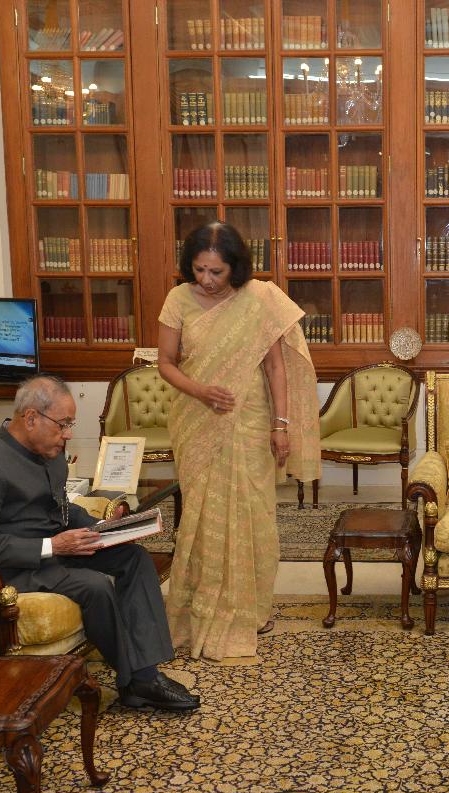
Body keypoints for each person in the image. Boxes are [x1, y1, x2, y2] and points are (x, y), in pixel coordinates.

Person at [0, 375, 200, 712]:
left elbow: (62, 509)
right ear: (31, 418)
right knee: (94, 586)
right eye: (63, 424)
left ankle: (145, 673)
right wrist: (53, 546)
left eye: (70, 425)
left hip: (57, 551)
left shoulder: (49, 452)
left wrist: (105, 528)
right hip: (15, 567)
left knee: (134, 558)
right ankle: (138, 681)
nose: (68, 434)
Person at [157, 221, 319, 661]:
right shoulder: (177, 300)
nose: (207, 280)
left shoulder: (259, 299)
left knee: (253, 513)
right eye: (199, 270)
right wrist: (200, 392)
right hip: (197, 420)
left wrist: (281, 425)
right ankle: (201, 607)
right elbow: (166, 363)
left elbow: (275, 367)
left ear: (236, 267)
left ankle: (250, 609)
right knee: (202, 516)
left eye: (217, 272)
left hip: (250, 420)